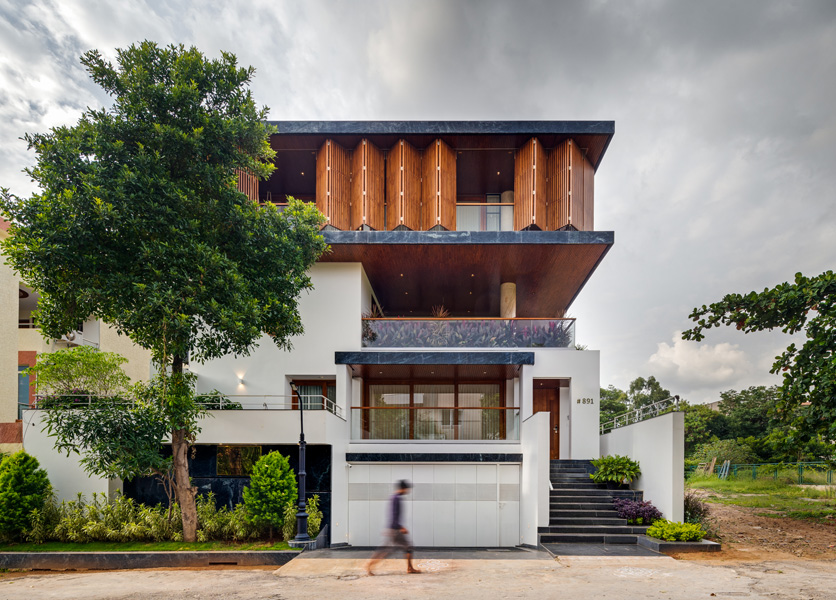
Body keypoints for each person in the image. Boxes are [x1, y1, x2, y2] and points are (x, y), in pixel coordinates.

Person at [365, 479, 420, 575]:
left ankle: (370, 564)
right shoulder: (396, 498)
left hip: (393, 529)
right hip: (395, 530)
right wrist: (400, 527)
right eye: (407, 489)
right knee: (404, 547)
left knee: (389, 550)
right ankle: (369, 564)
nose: (408, 491)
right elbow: (394, 515)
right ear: (403, 488)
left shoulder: (395, 497)